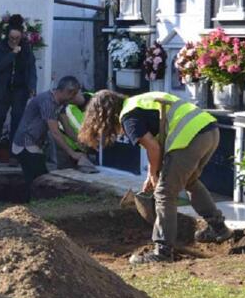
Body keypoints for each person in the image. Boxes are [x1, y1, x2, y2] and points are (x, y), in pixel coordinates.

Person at [77, 90, 233, 264]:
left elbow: (153, 148)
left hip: (190, 137)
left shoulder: (128, 116)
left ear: (104, 114)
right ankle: (218, 228)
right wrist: (151, 175)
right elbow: (154, 145)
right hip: (210, 130)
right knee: (190, 181)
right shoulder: (138, 103)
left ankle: (162, 252)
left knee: (165, 193)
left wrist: (153, 174)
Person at [0, 14, 37, 166]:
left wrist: (32, 87)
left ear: (21, 36)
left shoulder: (26, 48)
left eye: (17, 38)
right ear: (7, 36)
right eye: (12, 38)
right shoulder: (0, 47)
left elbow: (31, 69)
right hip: (2, 91)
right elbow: (0, 65)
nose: (14, 41)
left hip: (20, 90)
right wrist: (13, 53)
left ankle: (14, 155)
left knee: (17, 123)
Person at [12, 76, 87, 192]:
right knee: (39, 182)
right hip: (26, 145)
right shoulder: (48, 102)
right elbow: (55, 132)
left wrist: (80, 142)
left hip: (36, 145)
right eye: (74, 94)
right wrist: (72, 153)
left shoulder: (61, 103)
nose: (75, 98)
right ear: (68, 92)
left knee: (39, 181)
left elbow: (67, 128)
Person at [57, 89, 99, 173]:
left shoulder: (98, 101)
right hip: (71, 150)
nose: (71, 97)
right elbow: (67, 129)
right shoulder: (66, 108)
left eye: (73, 94)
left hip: (96, 149)